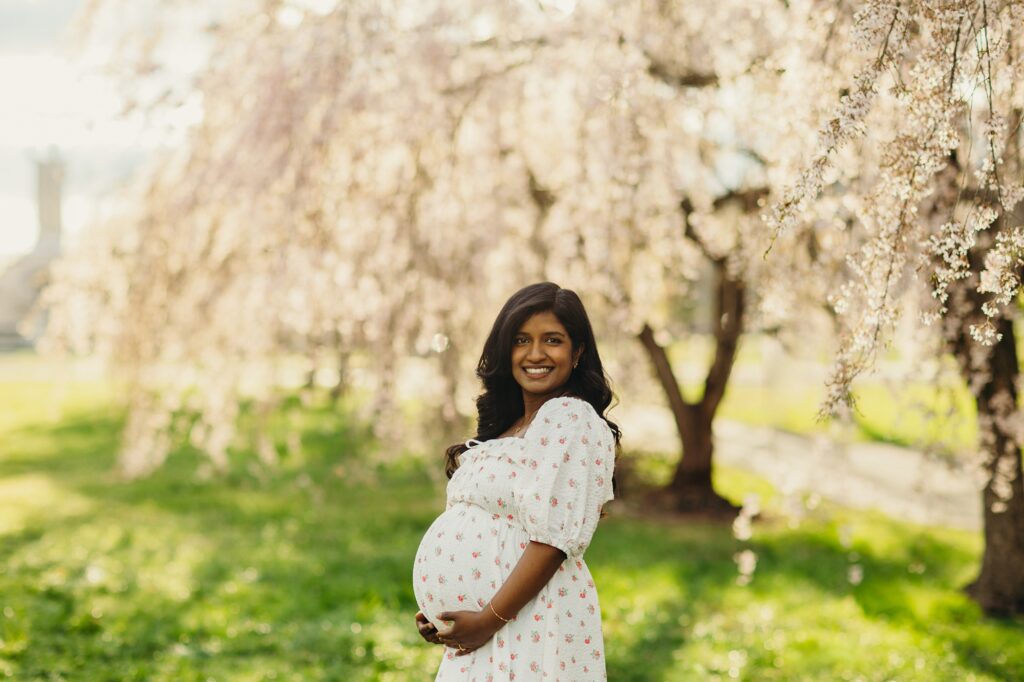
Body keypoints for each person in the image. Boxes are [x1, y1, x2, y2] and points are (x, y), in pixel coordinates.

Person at [412, 282, 621, 680]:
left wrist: (488, 620)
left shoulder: (571, 419)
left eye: (553, 340)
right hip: (486, 630)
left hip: (529, 620)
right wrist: (441, 610)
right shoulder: (510, 427)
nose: (536, 353)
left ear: (577, 353)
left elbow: (552, 541)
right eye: (521, 339)